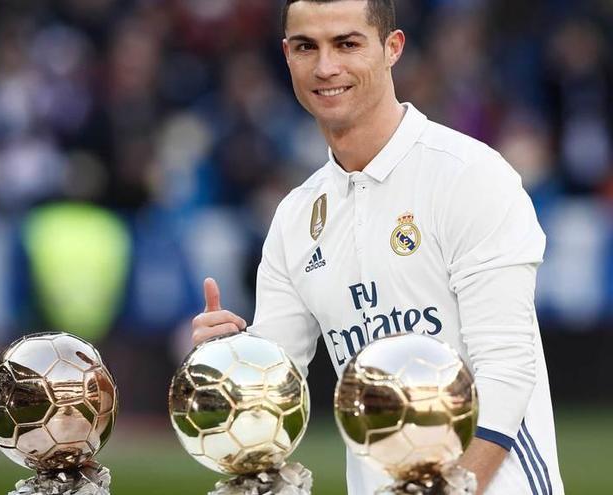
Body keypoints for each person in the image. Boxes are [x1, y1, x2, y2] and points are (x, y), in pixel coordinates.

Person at [190, 1, 564, 494]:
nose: (326, 67)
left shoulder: (469, 175)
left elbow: (508, 368)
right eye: (307, 47)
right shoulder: (296, 217)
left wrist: (457, 486)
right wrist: (232, 364)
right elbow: (277, 389)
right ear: (287, 55)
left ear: (393, 48)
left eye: (347, 44)